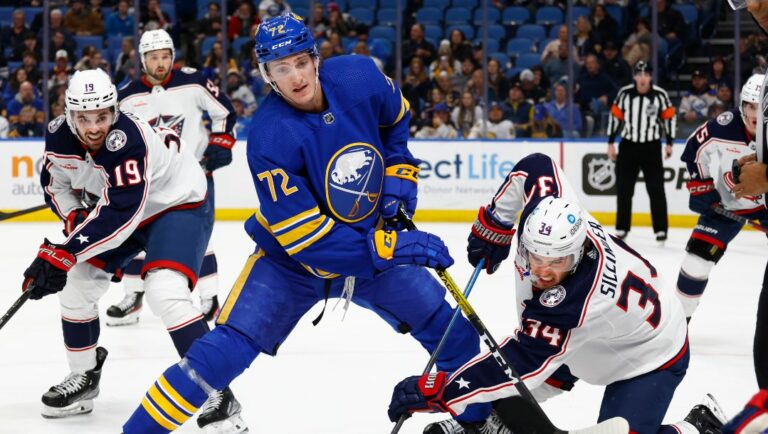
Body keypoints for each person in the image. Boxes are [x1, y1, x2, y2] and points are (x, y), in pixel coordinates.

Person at [121, 13, 498, 434]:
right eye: (281, 69)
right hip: (291, 265)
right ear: (267, 76)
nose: (296, 76)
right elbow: (310, 241)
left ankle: (476, 422)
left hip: (372, 240)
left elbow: (395, 125)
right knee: (216, 357)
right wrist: (391, 249)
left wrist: (398, 179)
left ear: (316, 58)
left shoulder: (360, 76)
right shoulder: (269, 137)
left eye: (301, 62)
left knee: (453, 335)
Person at [387, 152, 727, 434]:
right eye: (536, 256)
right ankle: (485, 420)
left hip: (649, 353)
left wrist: (438, 390)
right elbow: (536, 166)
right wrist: (497, 222)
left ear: (578, 252)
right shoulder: (549, 214)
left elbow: (519, 364)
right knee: (516, 386)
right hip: (595, 335)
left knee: (514, 377)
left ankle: (699, 427)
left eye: (558, 261)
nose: (543, 271)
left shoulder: (576, 301)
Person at [18, 69, 238, 430]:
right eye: (84, 118)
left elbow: (122, 213)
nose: (93, 127)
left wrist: (64, 251)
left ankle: (216, 389)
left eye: (102, 116)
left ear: (114, 112)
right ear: (68, 114)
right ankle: (84, 376)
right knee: (75, 282)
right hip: (125, 207)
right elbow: (55, 185)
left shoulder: (127, 139)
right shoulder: (58, 135)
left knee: (164, 290)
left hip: (176, 203)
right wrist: (74, 216)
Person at [116, 29, 236, 331]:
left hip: (194, 176)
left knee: (197, 236)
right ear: (143, 60)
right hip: (151, 181)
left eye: (165, 56)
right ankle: (133, 296)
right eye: (154, 57)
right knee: (136, 236)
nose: (160, 63)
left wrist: (220, 143)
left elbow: (224, 112)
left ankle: (209, 298)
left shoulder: (192, 81)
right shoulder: (126, 97)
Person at [675, 74, 768, 324]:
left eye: (761, 106)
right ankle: (678, 325)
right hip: (727, 206)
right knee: (696, 262)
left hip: (765, 208)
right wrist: (701, 186)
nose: (754, 113)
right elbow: (693, 149)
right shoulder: (725, 125)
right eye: (749, 105)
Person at [607, 60, 676, 243]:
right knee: (624, 188)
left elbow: (669, 118)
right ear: (634, 76)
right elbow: (615, 118)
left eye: (646, 74)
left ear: (650, 76)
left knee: (656, 189)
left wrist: (669, 142)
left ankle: (661, 230)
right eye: (639, 74)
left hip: (651, 147)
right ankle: (622, 228)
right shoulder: (624, 94)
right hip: (628, 146)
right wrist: (610, 142)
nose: (643, 78)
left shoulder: (660, 95)